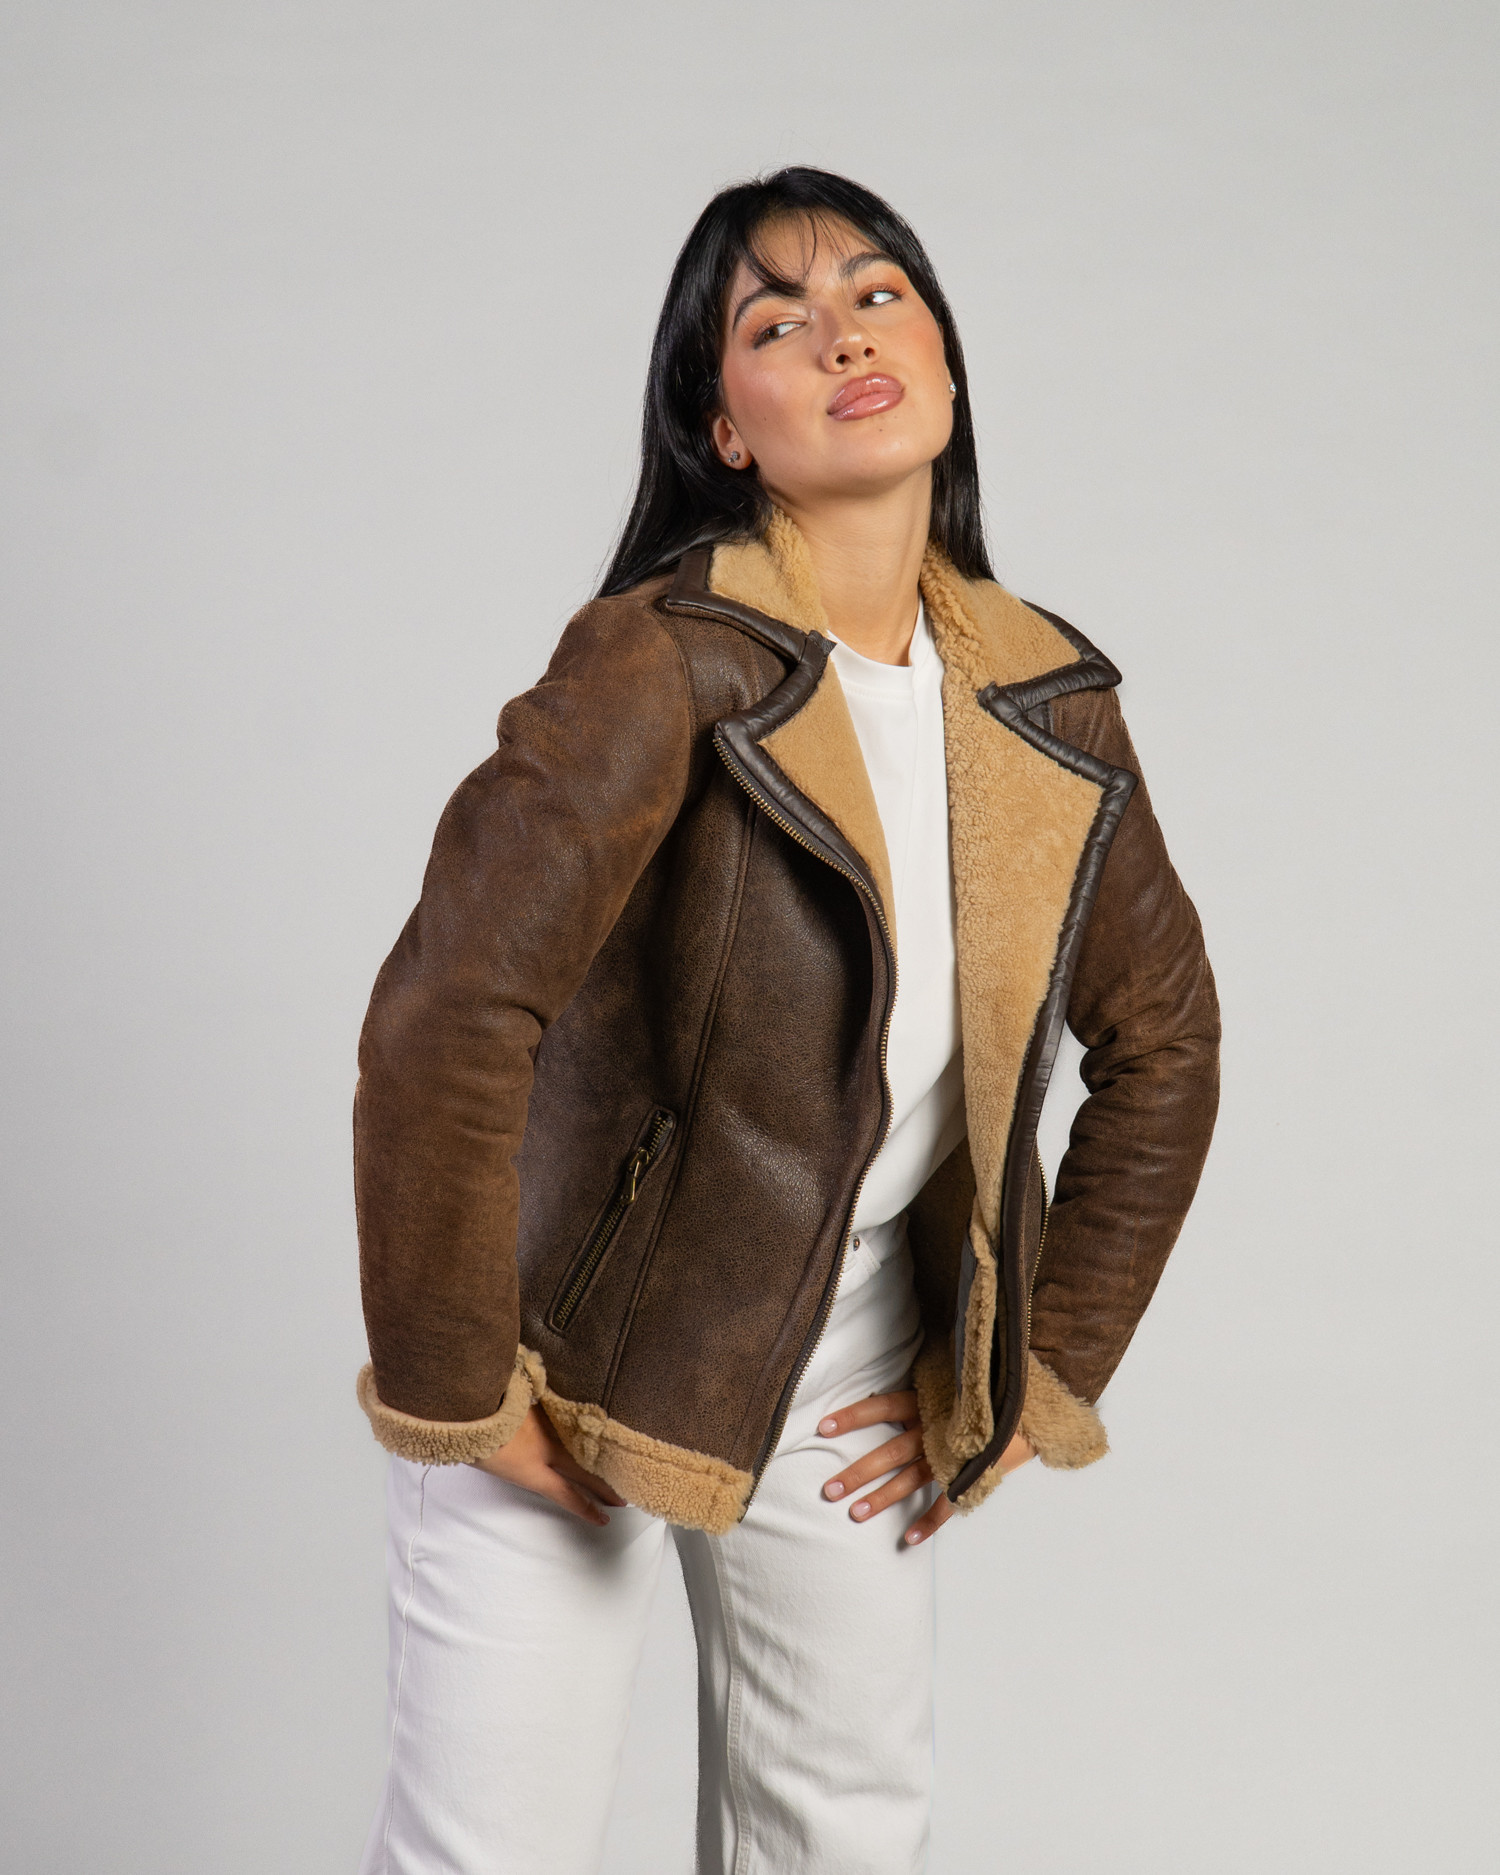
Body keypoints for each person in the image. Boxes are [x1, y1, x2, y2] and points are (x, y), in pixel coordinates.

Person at [352, 166, 1220, 1875]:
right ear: (722, 429)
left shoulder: (1044, 700)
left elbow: (1167, 1048)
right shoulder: (661, 660)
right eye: (777, 323)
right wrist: (468, 1388)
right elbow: (448, 1014)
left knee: (844, 1837)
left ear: (946, 361)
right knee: (494, 1851)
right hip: (568, 1347)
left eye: (879, 294)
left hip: (843, 1344)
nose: (844, 338)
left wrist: (1026, 1370)